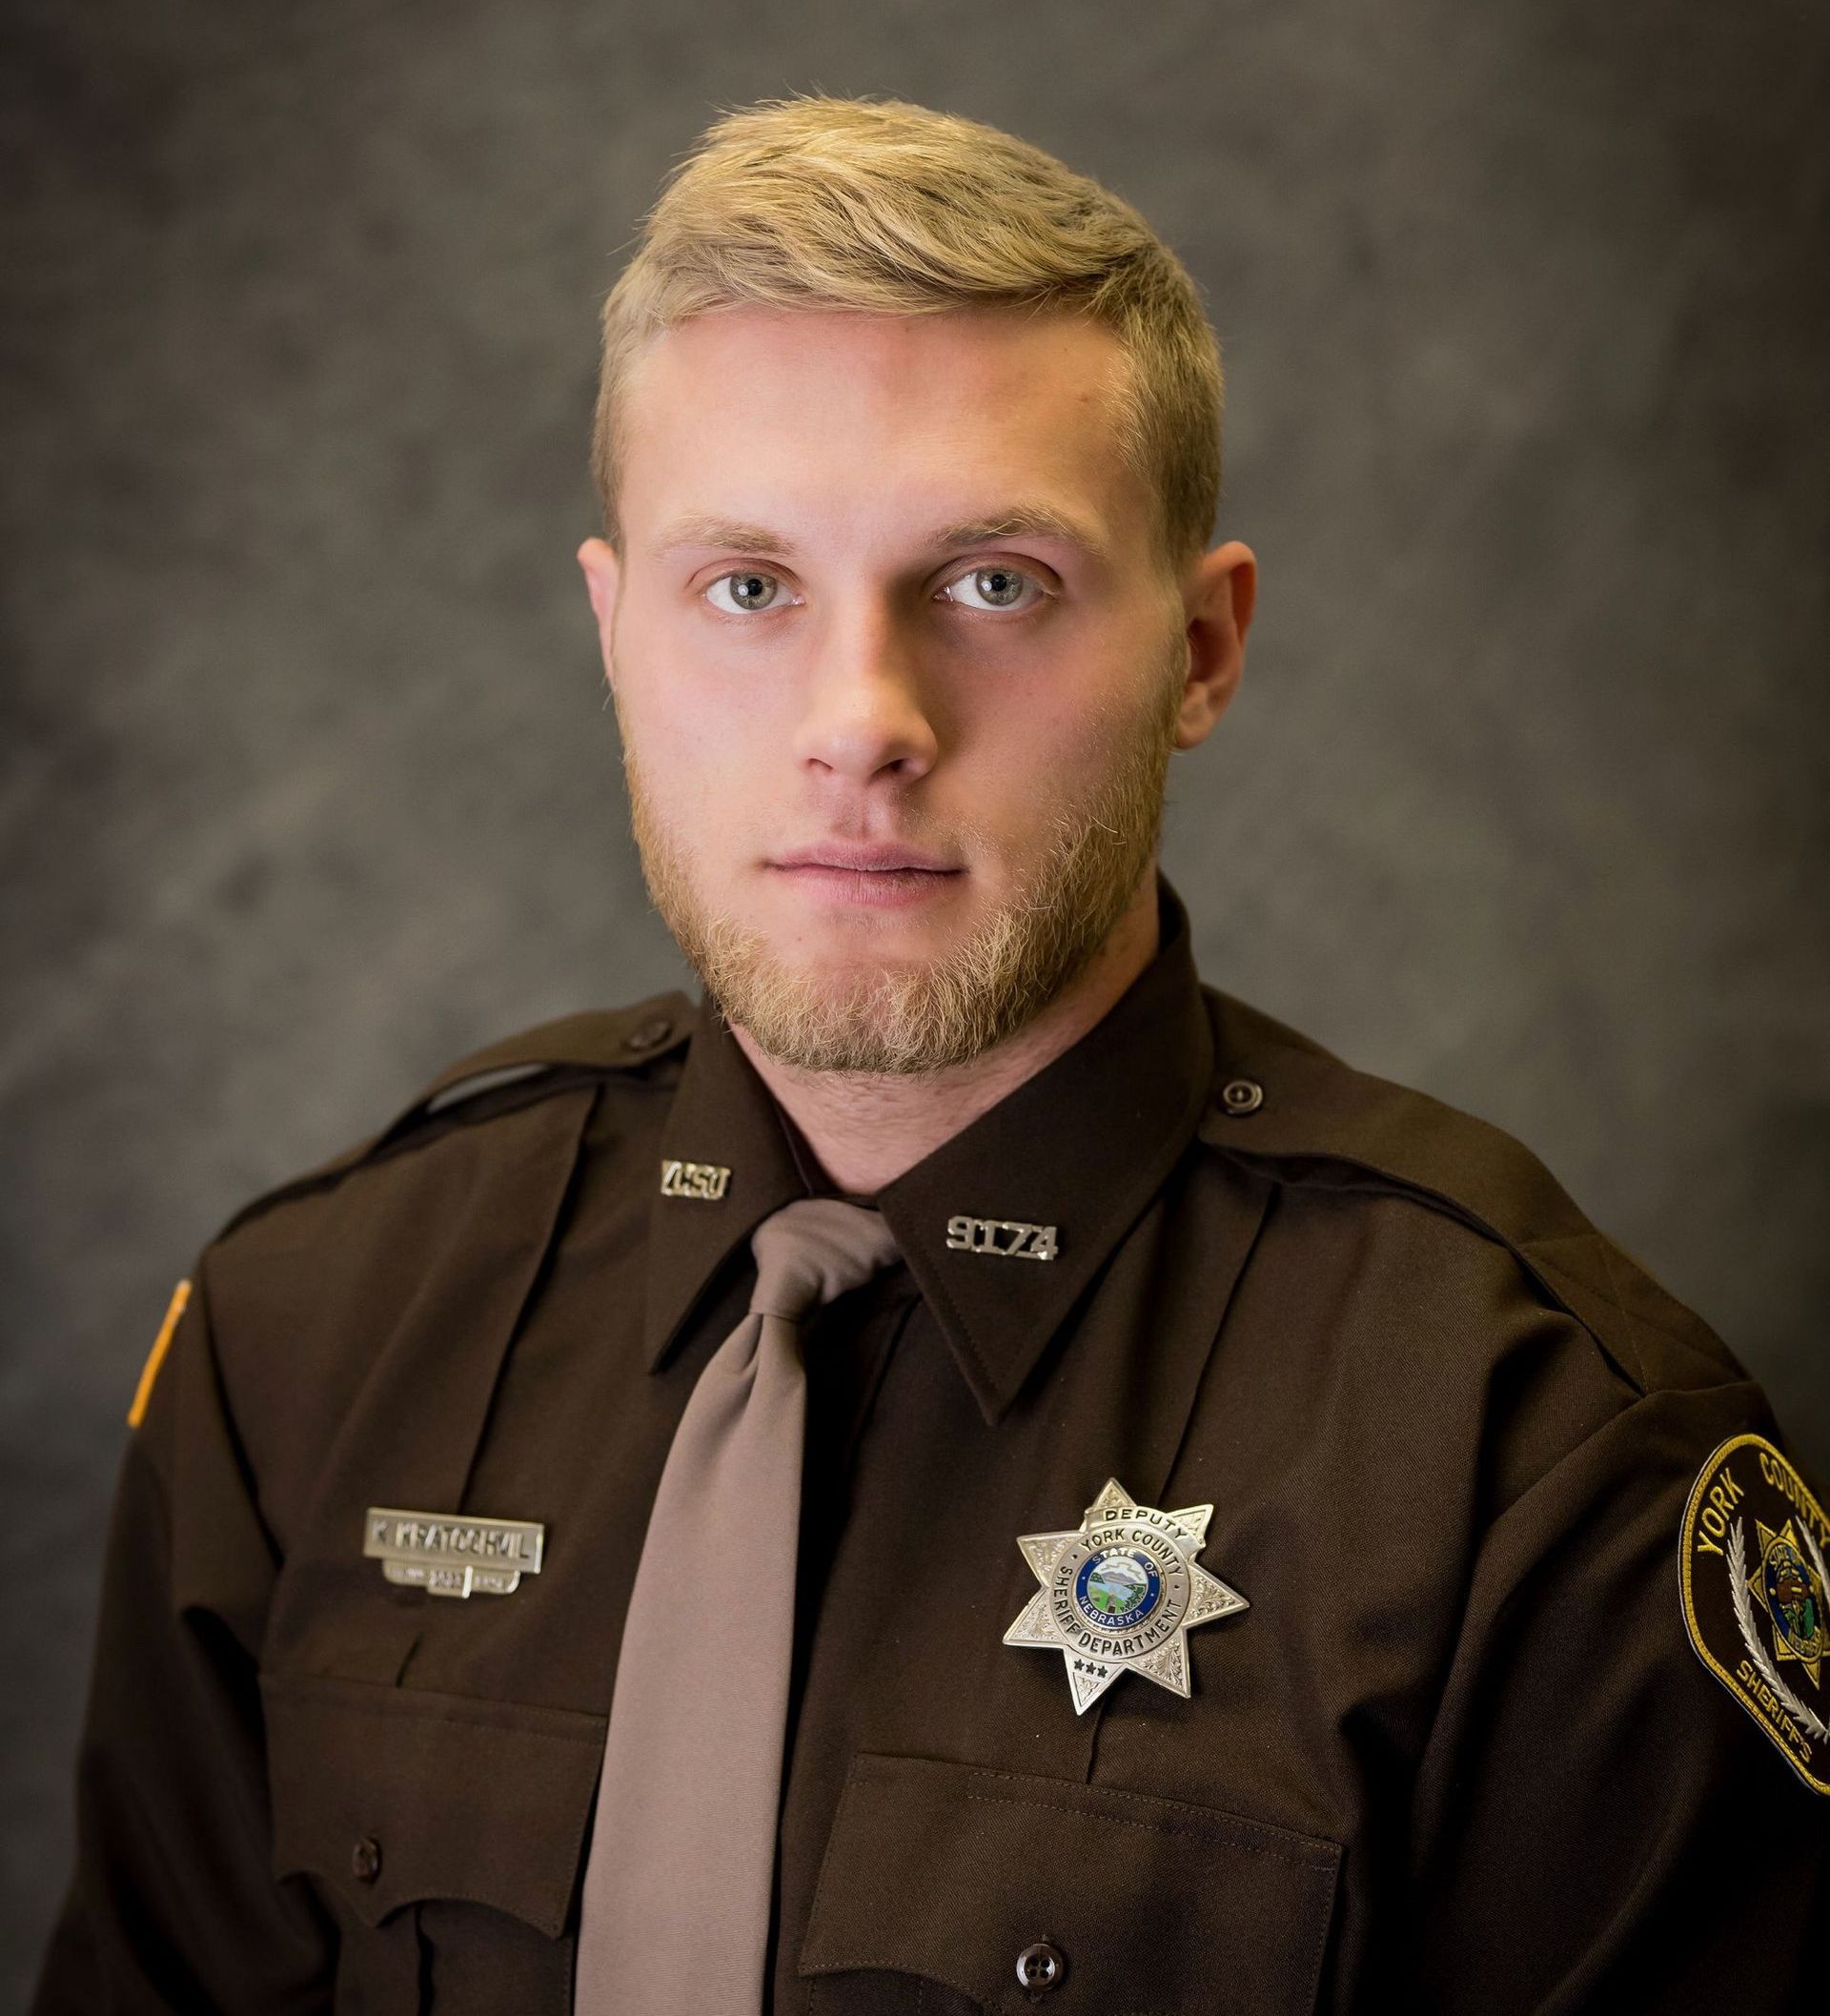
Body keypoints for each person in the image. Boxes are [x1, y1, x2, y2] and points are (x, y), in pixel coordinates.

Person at [30, 92, 1827, 2016]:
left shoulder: (1538, 1452)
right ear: (613, 631)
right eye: (749, 587)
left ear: (1203, 651)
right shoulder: (306, 1338)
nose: (861, 720)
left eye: (994, 583)